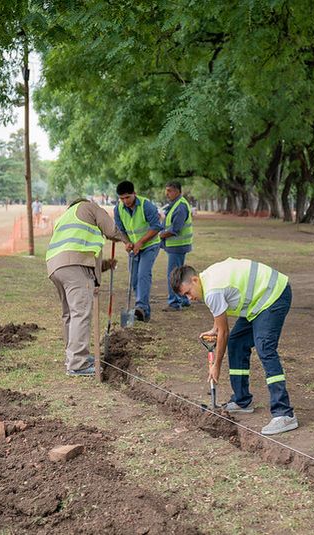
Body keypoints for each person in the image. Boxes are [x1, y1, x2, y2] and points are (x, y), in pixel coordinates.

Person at [170, 258, 298, 435]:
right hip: (257, 301)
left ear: (194, 280)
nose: (190, 299)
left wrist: (216, 366)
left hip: (273, 294)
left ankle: (284, 414)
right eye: (185, 296)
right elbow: (220, 326)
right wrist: (215, 329)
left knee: (265, 348)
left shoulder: (212, 291)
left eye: (188, 293)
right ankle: (241, 400)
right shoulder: (207, 281)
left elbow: (224, 333)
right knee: (237, 342)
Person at [46, 198, 127, 376]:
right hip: (73, 267)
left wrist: (105, 265)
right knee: (81, 312)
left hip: (55, 267)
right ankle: (78, 364)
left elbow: (81, 255)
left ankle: (73, 357)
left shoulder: (65, 217)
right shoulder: (89, 207)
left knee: (70, 314)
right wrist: (127, 240)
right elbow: (111, 229)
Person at [114, 180, 163, 322]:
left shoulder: (146, 205)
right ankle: (142, 311)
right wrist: (127, 242)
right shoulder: (118, 209)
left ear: (134, 194)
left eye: (127, 197)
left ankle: (141, 307)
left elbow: (156, 227)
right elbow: (121, 230)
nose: (125, 201)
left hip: (150, 245)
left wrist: (141, 242)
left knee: (143, 274)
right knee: (134, 278)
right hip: (134, 248)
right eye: (122, 198)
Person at [159, 181, 193, 312]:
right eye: (166, 190)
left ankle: (174, 302)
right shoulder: (175, 204)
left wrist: (160, 235)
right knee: (180, 274)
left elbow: (175, 229)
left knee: (173, 275)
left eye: (170, 191)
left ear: (178, 191)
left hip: (178, 245)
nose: (167, 193)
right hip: (176, 245)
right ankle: (184, 299)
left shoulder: (180, 206)